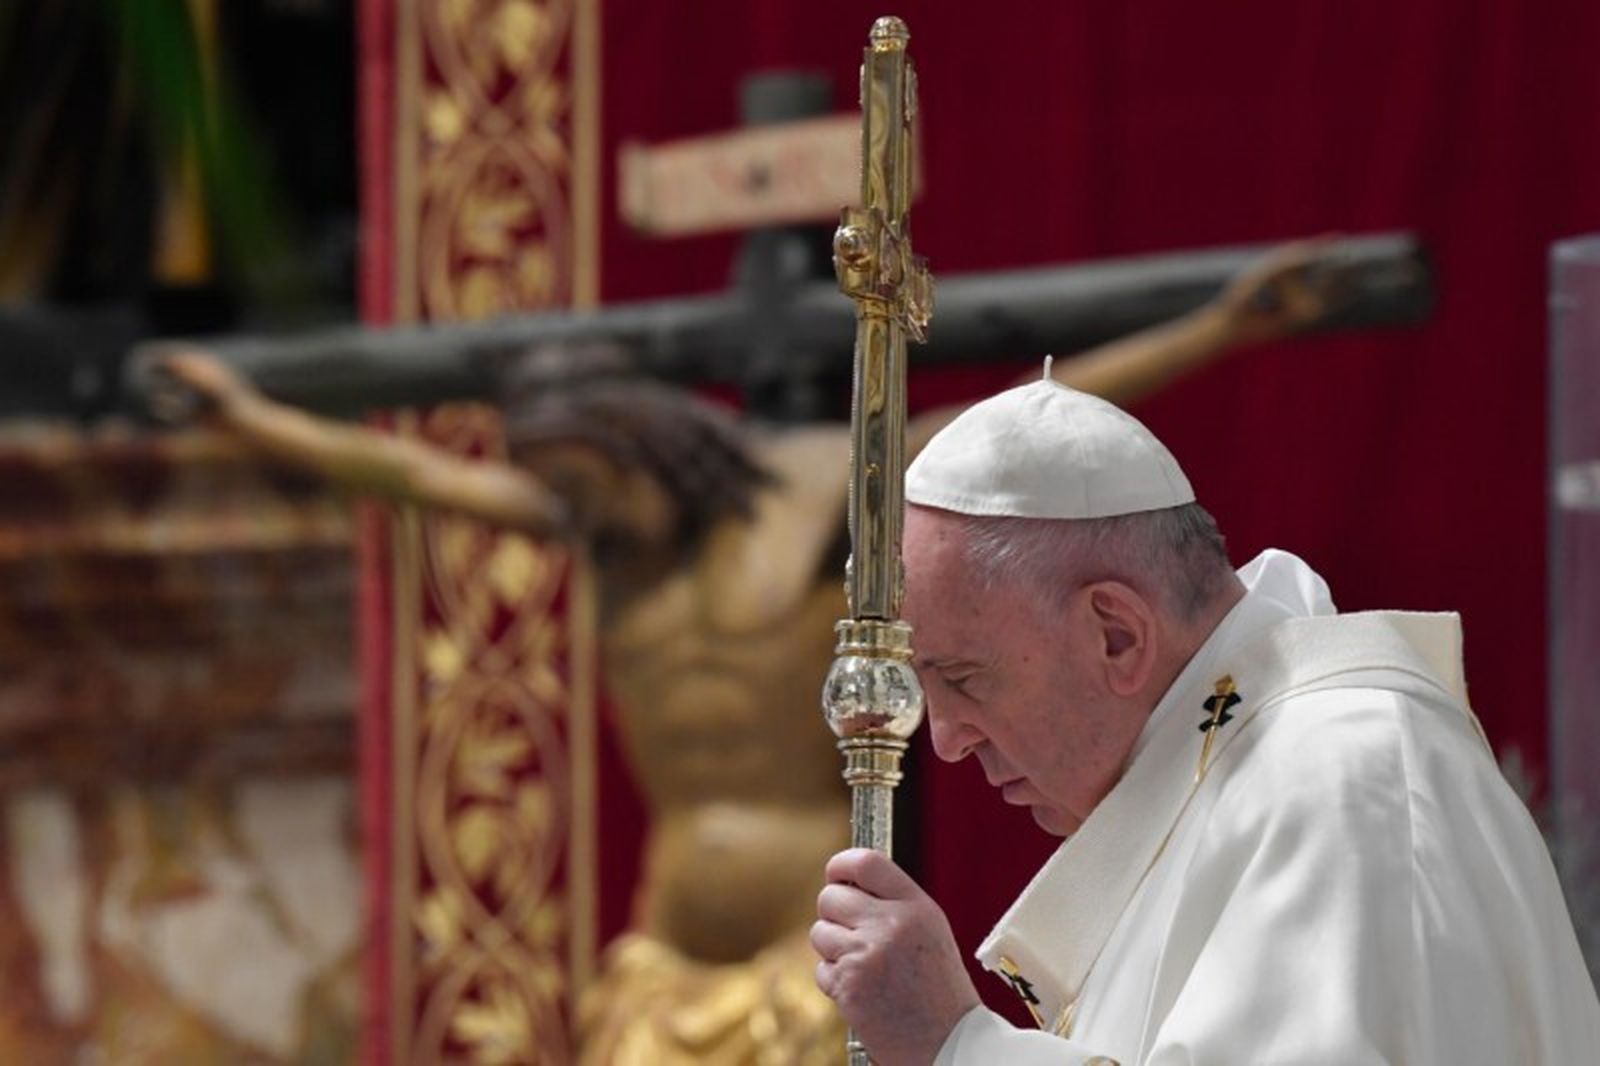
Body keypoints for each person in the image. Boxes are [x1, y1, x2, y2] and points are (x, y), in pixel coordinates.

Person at [156, 242, 1339, 1062]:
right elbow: (412, 476)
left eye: (593, 486)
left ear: (647, 442)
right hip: (663, 950)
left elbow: (1017, 439)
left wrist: (1225, 322)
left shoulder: (813, 489)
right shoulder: (605, 536)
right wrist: (248, 418)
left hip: (796, 944)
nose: (582, 518)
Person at [810, 377, 1600, 1064]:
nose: (945, 741)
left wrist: (958, 1048)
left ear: (1116, 634)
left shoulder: (1339, 776)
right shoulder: (1244, 778)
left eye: (962, 677)